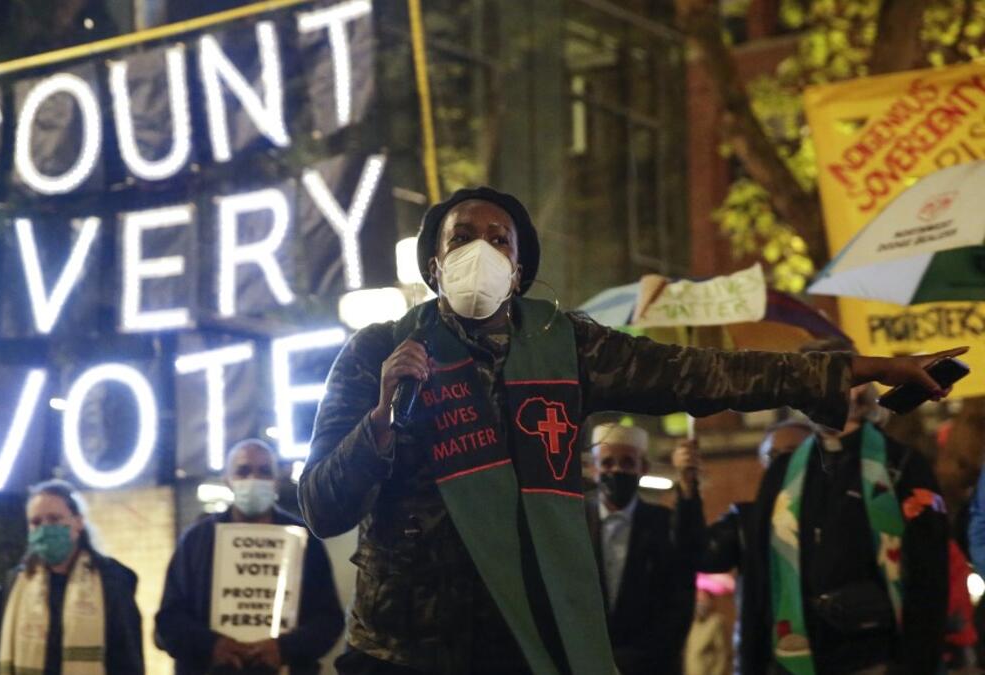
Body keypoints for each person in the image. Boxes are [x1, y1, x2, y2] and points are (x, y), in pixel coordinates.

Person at [298, 185, 966, 674]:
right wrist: (378, 424)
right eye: (461, 238)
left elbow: (708, 374)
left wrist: (871, 367)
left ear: (520, 268)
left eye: (498, 239)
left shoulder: (568, 349)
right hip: (403, 649)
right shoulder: (377, 352)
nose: (481, 251)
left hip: (531, 642)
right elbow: (322, 505)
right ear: (434, 265)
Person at [738, 343, 949, 675]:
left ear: (860, 384)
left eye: (823, 379)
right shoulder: (783, 472)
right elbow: (758, 575)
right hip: (798, 656)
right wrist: (748, 664)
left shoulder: (902, 466)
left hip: (878, 656)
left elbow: (931, 574)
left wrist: (919, 662)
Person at [155, 439, 344, 675]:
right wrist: (213, 646)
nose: (253, 479)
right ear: (227, 479)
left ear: (276, 482)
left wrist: (283, 649)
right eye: (243, 471)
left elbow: (329, 620)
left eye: (264, 471)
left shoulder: (305, 541)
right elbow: (168, 622)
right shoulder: (195, 541)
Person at [0, 479, 144, 675]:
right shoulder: (13, 585)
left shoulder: (112, 581)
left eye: (54, 519)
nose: (45, 528)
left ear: (78, 522)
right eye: (36, 522)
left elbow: (128, 663)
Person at [585, 423, 703, 675]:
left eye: (627, 462)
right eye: (607, 463)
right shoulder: (573, 523)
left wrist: (687, 482)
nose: (616, 470)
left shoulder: (663, 523)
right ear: (593, 468)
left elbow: (680, 595)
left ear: (643, 468)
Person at [699, 419, 814, 675]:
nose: (784, 462)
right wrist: (689, 493)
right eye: (774, 455)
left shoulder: (837, 516)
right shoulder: (745, 521)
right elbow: (702, 556)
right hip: (765, 661)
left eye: (794, 453)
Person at [685, 574, 734, 675]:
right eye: (697, 596)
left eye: (702, 596)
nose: (699, 600)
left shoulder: (716, 622)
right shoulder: (690, 623)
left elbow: (723, 655)